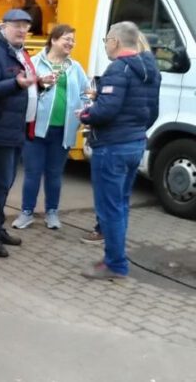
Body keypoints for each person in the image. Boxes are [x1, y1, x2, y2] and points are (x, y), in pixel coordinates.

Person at [78, 21, 160, 280]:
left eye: (106, 42)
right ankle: (115, 258)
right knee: (121, 205)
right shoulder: (150, 69)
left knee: (110, 208)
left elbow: (106, 110)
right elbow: (152, 112)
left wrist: (86, 114)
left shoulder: (118, 69)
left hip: (112, 148)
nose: (106, 46)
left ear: (114, 41)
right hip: (135, 144)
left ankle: (115, 264)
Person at [0, 10, 54, 258]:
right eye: (16, 26)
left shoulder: (19, 52)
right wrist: (16, 84)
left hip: (17, 128)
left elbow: (23, 82)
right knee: (0, 183)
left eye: (25, 26)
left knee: (5, 184)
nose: (22, 30)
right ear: (3, 27)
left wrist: (39, 82)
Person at [11, 24, 89, 231]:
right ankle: (26, 212)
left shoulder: (75, 67)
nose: (70, 43)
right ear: (53, 40)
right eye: (67, 39)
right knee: (33, 173)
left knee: (54, 174)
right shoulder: (34, 62)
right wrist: (38, 82)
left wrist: (82, 110)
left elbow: (85, 93)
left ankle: (52, 212)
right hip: (36, 129)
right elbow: (23, 90)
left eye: (73, 40)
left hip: (63, 131)